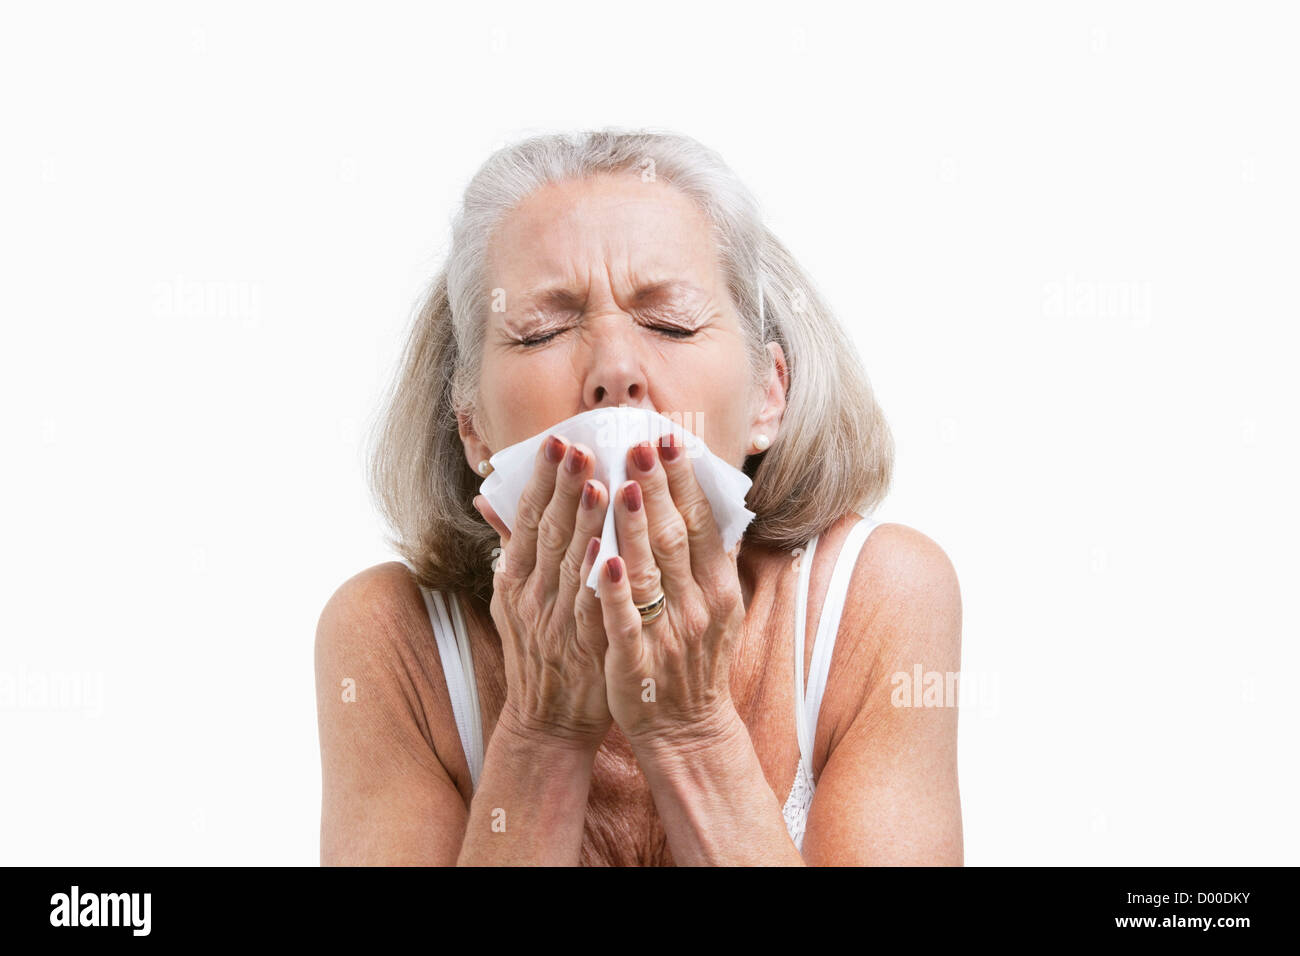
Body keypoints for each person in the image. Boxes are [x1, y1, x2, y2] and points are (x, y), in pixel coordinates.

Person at [315, 129, 963, 865]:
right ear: (472, 426)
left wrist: (688, 729)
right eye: (541, 332)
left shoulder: (881, 600)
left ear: (767, 396)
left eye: (670, 324)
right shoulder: (391, 638)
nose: (615, 372)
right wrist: (542, 728)